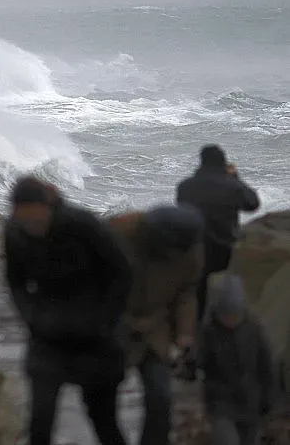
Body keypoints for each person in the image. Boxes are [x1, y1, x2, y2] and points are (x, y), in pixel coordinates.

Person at [3, 176, 133, 445]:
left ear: (47, 207)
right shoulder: (14, 232)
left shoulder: (82, 225)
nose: (32, 227)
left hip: (95, 338)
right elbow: (15, 282)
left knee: (104, 420)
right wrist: (32, 318)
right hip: (48, 337)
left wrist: (106, 321)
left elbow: (122, 273)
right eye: (24, 221)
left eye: (36, 220)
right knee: (40, 419)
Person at [108, 204, 205, 445]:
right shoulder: (119, 234)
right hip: (113, 324)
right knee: (103, 397)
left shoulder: (190, 251)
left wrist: (184, 334)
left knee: (160, 395)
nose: (173, 258)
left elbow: (186, 294)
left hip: (155, 329)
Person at [176, 144, 260, 319]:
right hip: (225, 251)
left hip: (196, 250)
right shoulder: (232, 186)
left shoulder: (184, 187)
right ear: (223, 163)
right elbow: (252, 204)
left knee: (198, 297)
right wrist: (235, 177)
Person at [199, 272, 275, 445]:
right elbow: (201, 362)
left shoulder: (254, 330)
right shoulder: (210, 332)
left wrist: (268, 401)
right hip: (221, 402)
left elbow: (266, 367)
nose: (230, 321)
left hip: (251, 403)